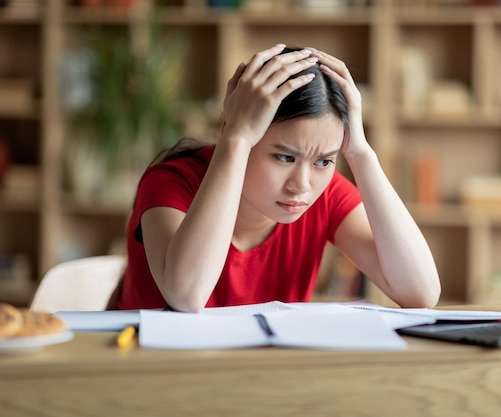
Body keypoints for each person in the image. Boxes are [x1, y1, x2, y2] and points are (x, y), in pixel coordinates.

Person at [114, 44, 440, 312]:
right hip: (150, 375)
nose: (301, 184)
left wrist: (361, 153)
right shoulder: (171, 182)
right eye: (285, 157)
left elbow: (420, 292)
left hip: (258, 379)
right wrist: (236, 141)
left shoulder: (324, 194)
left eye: (324, 161)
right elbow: (186, 295)